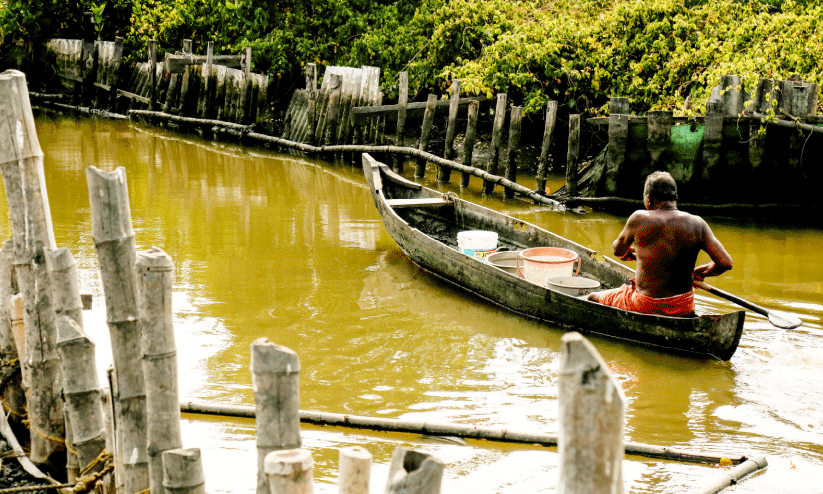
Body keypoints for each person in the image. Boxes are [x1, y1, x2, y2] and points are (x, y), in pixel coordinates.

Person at [588, 171, 733, 316]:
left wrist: (628, 251)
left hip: (645, 304)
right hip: (683, 305)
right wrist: (701, 272)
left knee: (592, 298)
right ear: (676, 198)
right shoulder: (698, 223)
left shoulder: (638, 218)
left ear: (649, 200)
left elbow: (617, 250)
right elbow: (725, 263)